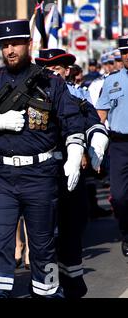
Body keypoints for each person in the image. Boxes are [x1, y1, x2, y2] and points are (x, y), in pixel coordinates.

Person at [0, 19, 86, 298]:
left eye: (15, 44)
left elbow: (72, 122)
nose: (10, 51)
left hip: (40, 174)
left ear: (29, 44)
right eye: (5, 46)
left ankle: (49, 291)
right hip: (1, 176)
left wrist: (75, 153)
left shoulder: (51, 82)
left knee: (43, 244)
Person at [35, 48, 109, 298]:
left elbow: (94, 122)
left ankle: (73, 286)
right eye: (46, 70)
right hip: (38, 175)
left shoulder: (77, 97)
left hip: (70, 174)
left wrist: (97, 140)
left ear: (66, 72)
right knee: (46, 236)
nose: (51, 74)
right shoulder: (29, 95)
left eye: (56, 69)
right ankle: (50, 287)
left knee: (71, 232)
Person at [96, 36, 128, 257]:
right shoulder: (111, 81)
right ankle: (126, 233)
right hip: (119, 145)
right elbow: (100, 116)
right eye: (124, 53)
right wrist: (95, 149)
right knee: (118, 196)